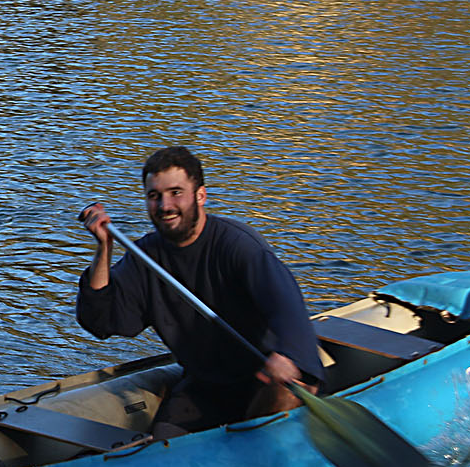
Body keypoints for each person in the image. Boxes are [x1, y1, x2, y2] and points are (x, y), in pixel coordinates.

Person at [77, 146, 322, 438]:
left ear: (200, 196)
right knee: (163, 445)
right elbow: (100, 321)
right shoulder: (144, 257)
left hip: (265, 379)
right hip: (206, 387)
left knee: (282, 392)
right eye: (154, 196)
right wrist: (104, 249)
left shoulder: (239, 247)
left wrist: (289, 357)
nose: (165, 205)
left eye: (176, 193)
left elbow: (288, 308)